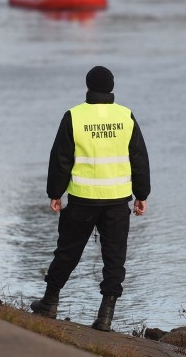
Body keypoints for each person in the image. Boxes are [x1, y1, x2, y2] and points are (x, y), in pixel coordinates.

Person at [31, 65, 150, 331]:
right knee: (114, 258)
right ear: (111, 88)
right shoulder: (125, 116)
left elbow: (61, 158)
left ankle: (50, 302)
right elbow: (139, 159)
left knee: (67, 252)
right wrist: (141, 194)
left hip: (82, 199)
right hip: (118, 200)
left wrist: (55, 193)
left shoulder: (74, 116)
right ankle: (105, 315)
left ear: (88, 87)